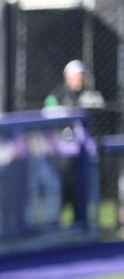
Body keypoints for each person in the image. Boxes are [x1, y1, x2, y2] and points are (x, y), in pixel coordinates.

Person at [43, 59, 108, 226]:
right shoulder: (55, 97)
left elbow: (100, 117)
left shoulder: (89, 96)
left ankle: (82, 225)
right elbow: (47, 116)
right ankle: (55, 226)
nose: (81, 80)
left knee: (81, 193)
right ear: (68, 77)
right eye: (77, 76)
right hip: (62, 157)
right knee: (61, 191)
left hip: (82, 154)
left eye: (82, 77)